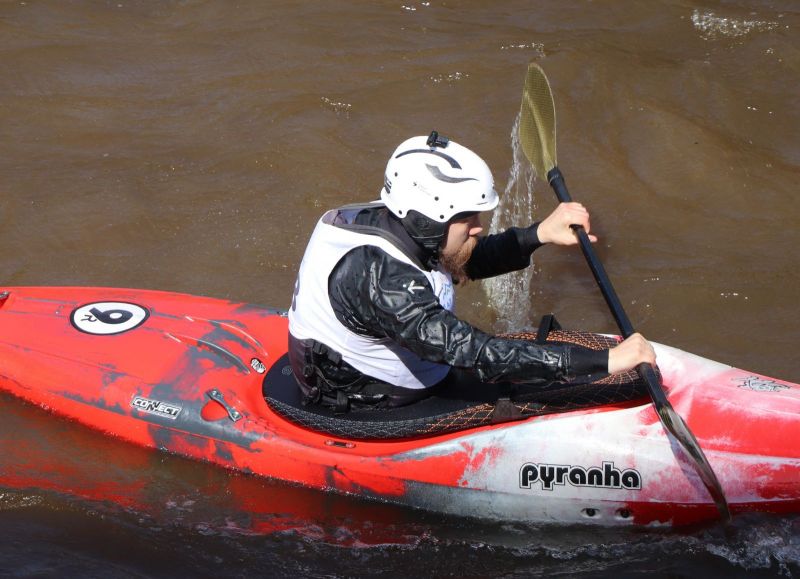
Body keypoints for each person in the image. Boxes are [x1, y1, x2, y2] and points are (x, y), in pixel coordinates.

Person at [288, 131, 656, 413]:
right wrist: (606, 362)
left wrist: (539, 234)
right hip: (364, 399)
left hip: (383, 364)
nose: (479, 226)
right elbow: (476, 353)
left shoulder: (403, 221)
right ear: (429, 218)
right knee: (526, 388)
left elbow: (464, 259)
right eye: (468, 218)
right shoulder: (383, 283)